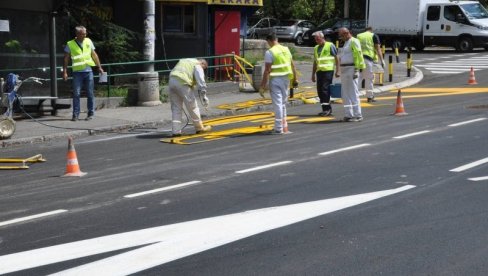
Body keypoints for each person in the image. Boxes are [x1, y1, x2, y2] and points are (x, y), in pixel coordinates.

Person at [259, 33, 298, 134]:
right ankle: (284, 127)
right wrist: (295, 79)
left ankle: (278, 128)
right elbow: (293, 66)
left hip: (276, 80)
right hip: (286, 79)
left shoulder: (270, 52)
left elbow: (267, 70)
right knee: (283, 103)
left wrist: (262, 86)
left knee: (278, 104)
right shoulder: (286, 49)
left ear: (269, 41)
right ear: (276, 39)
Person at [63, 26, 103, 121]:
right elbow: (66, 58)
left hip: (88, 71)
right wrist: (65, 71)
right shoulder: (70, 44)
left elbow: (94, 55)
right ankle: (75, 114)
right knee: (76, 93)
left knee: (90, 93)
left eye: (85, 33)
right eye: (82, 34)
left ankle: (90, 113)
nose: (84, 35)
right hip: (77, 73)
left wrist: (99, 67)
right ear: (77, 34)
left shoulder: (88, 41)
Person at [168, 58, 211, 137]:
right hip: (183, 83)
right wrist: (204, 94)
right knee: (193, 107)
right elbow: (200, 79)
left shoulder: (186, 61)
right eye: (204, 68)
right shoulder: (197, 65)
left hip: (171, 81)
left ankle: (176, 132)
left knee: (176, 108)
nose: (203, 70)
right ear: (202, 63)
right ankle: (199, 128)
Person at [337, 27, 365, 122]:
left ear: (346, 33)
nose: (341, 38)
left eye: (341, 35)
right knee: (345, 93)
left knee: (353, 92)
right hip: (345, 69)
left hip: (352, 68)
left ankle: (358, 115)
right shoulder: (346, 42)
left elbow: (358, 55)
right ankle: (348, 114)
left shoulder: (354, 41)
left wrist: (357, 69)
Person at [311, 31, 340, 116]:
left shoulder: (330, 45)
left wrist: (338, 71)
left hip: (328, 71)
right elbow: (315, 62)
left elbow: (337, 58)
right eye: (315, 39)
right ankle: (325, 109)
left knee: (325, 89)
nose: (316, 41)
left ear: (322, 37)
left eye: (318, 39)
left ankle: (327, 109)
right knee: (320, 91)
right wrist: (313, 74)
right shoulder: (316, 48)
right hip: (319, 71)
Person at [357, 26, 385, 102]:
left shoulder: (358, 36)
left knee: (359, 77)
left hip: (358, 59)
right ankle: (370, 97)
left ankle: (355, 96)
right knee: (369, 78)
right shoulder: (373, 36)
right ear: (371, 30)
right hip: (368, 59)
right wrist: (382, 60)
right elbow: (378, 48)